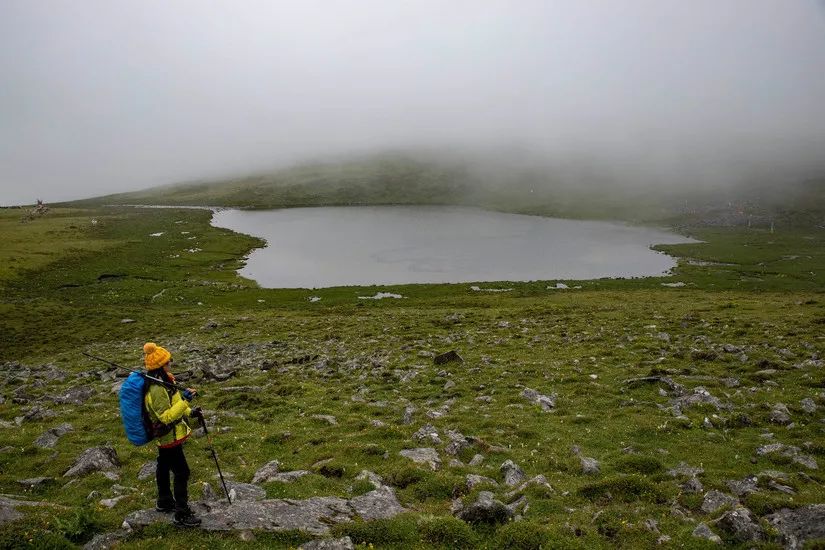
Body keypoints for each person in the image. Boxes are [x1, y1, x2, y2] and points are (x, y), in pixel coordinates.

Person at [143, 342, 202, 527]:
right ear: (160, 366)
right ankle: (181, 515)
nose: (171, 363)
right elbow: (166, 416)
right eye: (168, 361)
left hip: (169, 436)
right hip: (168, 436)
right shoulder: (157, 389)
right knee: (182, 471)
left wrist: (189, 411)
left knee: (163, 464)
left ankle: (164, 501)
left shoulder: (166, 380)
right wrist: (185, 400)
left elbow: (175, 403)